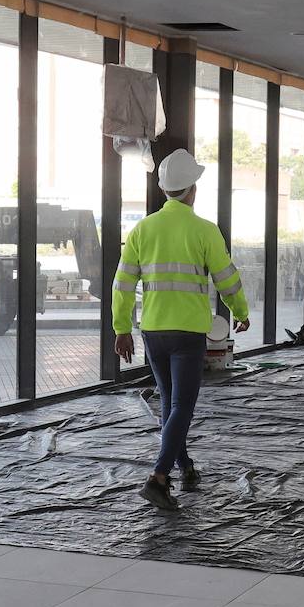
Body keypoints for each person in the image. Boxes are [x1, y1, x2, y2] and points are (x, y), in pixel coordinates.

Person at [113, 149, 250, 511]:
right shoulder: (204, 231)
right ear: (192, 190)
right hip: (188, 335)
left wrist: (121, 328)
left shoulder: (142, 229)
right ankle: (158, 477)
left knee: (171, 403)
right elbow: (226, 279)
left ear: (164, 190)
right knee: (182, 406)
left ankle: (183, 464)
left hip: (153, 331)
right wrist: (240, 310)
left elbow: (123, 284)